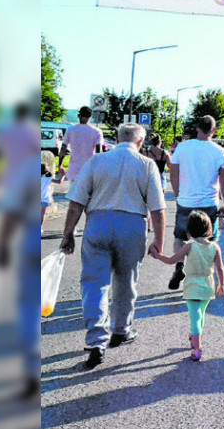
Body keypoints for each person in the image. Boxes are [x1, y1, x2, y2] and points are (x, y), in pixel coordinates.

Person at [59, 123, 167, 370]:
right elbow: (158, 209)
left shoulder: (96, 161)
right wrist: (158, 241)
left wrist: (68, 234)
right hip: (132, 226)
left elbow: (76, 203)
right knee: (126, 281)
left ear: (117, 138)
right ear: (141, 143)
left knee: (95, 283)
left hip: (98, 223)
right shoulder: (147, 164)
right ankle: (121, 330)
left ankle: (96, 340)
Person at [151, 210, 224, 361]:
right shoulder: (215, 247)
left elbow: (172, 260)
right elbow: (220, 267)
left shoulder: (189, 246)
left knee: (194, 316)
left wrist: (158, 256)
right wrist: (221, 285)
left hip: (192, 285)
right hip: (207, 284)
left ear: (189, 230)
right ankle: (194, 336)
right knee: (201, 314)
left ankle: (197, 348)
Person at [167, 116, 224, 291]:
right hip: (209, 202)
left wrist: (178, 193)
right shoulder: (220, 152)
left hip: (185, 201)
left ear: (197, 128)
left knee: (180, 238)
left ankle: (179, 265)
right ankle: (205, 279)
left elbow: (173, 173)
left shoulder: (182, 147)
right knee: (209, 241)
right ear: (214, 130)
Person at [57, 106, 104, 185]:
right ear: (90, 117)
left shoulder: (70, 130)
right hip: (89, 170)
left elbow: (63, 149)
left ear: (79, 116)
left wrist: (60, 165)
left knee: (73, 195)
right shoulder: (97, 132)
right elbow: (99, 152)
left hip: (74, 170)